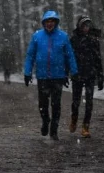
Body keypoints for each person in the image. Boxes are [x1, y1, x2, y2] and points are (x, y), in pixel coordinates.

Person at [23, 10, 78, 141]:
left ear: (56, 22)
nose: (49, 24)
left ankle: (54, 129)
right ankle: (45, 120)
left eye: (52, 21)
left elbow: (69, 55)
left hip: (58, 76)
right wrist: (27, 72)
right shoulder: (37, 36)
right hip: (42, 76)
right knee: (42, 104)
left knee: (56, 104)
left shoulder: (63, 36)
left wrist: (73, 72)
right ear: (44, 23)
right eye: (47, 21)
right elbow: (30, 55)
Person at [69, 15, 104, 137]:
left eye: (88, 25)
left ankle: (85, 127)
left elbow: (98, 59)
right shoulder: (73, 40)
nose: (86, 28)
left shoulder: (94, 40)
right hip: (77, 75)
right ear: (79, 26)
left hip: (90, 75)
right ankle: (74, 119)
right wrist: (68, 72)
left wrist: (100, 77)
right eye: (84, 25)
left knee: (89, 102)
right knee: (76, 101)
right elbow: (69, 58)